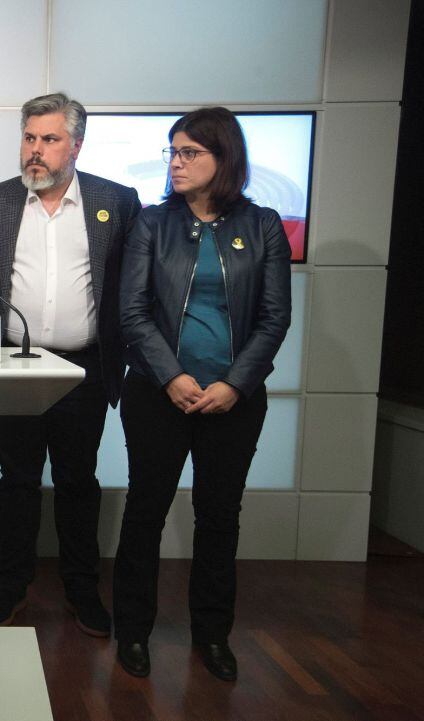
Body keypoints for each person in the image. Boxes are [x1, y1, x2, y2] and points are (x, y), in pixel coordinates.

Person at [113, 107, 291, 681]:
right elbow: (132, 312)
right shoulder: (151, 223)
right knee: (145, 512)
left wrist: (235, 384)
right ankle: (133, 633)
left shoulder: (263, 224)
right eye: (173, 151)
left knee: (220, 518)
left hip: (233, 401)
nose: (177, 162)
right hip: (156, 393)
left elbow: (274, 318)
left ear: (225, 158)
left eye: (190, 152)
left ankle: (212, 635)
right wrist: (171, 376)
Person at [0, 92, 141, 634]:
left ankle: (82, 590)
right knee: (15, 480)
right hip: (15, 366)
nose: (35, 151)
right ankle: (11, 585)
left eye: (49, 139)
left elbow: (126, 286)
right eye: (29, 138)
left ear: (77, 146)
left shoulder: (117, 201)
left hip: (82, 370)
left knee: (77, 482)